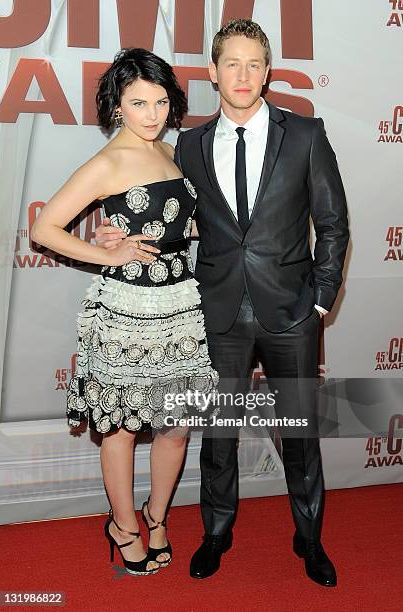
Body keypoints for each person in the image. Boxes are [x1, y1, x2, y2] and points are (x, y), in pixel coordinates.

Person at [96, 19, 349, 587]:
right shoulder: (187, 144)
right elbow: (163, 214)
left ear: (267, 72)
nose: (243, 75)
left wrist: (321, 301)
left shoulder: (306, 134)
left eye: (254, 64)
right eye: (231, 63)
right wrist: (115, 235)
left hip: (291, 312)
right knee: (219, 434)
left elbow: (333, 223)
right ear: (212, 73)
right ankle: (216, 533)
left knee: (301, 434)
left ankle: (309, 539)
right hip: (216, 310)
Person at [31, 47, 218, 577]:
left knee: (175, 425)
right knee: (122, 427)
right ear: (117, 105)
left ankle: (157, 517)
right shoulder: (109, 162)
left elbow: (179, 224)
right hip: (127, 311)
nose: (153, 114)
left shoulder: (169, 152)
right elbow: (44, 229)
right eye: (139, 103)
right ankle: (124, 525)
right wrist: (106, 251)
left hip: (180, 303)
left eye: (161, 101)